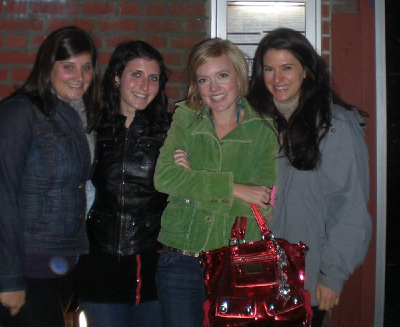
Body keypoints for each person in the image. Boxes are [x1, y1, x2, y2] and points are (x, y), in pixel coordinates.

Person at [247, 27, 372, 327]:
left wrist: (333, 274)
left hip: (308, 276)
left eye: (287, 68)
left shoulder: (336, 126)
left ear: (306, 71)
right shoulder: (253, 123)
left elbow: (351, 209)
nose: (277, 79)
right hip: (254, 273)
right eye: (269, 69)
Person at [154, 38, 278, 327]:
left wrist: (192, 179)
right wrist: (235, 188)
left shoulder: (264, 128)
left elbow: (263, 206)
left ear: (238, 75)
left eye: (222, 76)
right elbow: (164, 178)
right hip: (180, 260)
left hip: (237, 260)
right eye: (203, 80)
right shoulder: (185, 117)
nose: (214, 88)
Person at [0, 26, 101, 327]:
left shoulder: (81, 117)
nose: (79, 76)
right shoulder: (20, 112)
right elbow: (2, 194)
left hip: (64, 265)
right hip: (28, 267)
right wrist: (9, 278)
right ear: (49, 67)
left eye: (86, 67)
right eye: (68, 66)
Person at [75, 40, 171, 327]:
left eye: (153, 77)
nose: (145, 84)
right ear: (117, 78)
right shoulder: (90, 127)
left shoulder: (173, 131)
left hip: (154, 265)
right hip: (99, 264)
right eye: (136, 74)